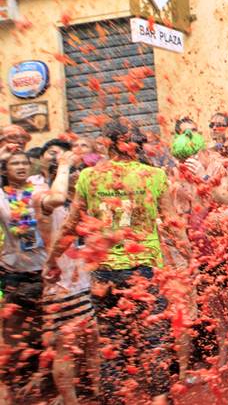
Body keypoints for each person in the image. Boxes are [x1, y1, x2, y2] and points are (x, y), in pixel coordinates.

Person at [44, 121, 191, 404]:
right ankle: (159, 398)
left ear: (107, 144)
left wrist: (51, 261)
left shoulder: (89, 176)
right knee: (154, 341)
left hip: (104, 274)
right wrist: (188, 256)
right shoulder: (154, 175)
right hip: (143, 270)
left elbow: (71, 226)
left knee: (112, 344)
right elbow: (173, 224)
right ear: (136, 145)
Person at [0, 151, 63, 402]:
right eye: (14, 163)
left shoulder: (40, 192)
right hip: (14, 273)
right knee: (13, 334)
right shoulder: (2, 197)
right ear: (5, 170)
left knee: (51, 330)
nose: (20, 167)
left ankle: (52, 385)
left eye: (24, 163)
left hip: (45, 272)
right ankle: (8, 386)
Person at [40, 152, 100, 404]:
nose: (80, 174)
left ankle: (96, 395)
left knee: (92, 345)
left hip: (87, 286)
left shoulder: (90, 204)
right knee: (65, 351)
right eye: (75, 171)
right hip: (61, 289)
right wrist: (64, 165)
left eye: (81, 170)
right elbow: (57, 196)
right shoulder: (47, 204)